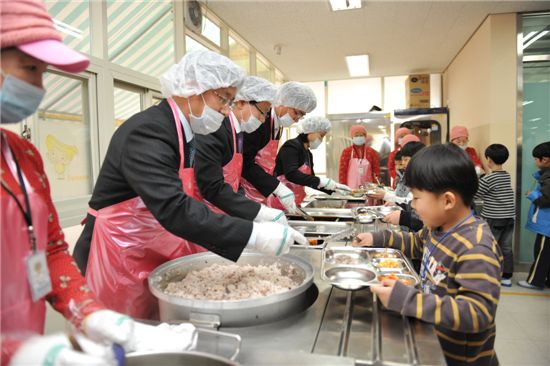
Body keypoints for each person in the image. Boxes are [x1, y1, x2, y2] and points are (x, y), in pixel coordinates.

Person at [0, 1, 199, 364]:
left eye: (43, 73)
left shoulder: (23, 155)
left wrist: (93, 313)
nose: (38, 87)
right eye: (29, 68)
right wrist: (21, 353)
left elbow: (52, 250)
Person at [73, 50, 307, 320]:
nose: (226, 109)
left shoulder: (185, 132)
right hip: (115, 252)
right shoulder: (148, 131)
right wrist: (254, 234)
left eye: (231, 101)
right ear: (192, 89)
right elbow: (175, 208)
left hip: (147, 244)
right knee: (119, 337)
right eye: (223, 99)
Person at [354, 143, 502, 366]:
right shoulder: (438, 228)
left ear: (448, 201)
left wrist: (409, 300)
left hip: (460, 358)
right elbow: (416, 243)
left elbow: (477, 313)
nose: (412, 206)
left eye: (416, 198)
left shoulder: (476, 248)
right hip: (436, 340)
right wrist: (379, 238)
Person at [194, 76, 287, 222]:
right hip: (211, 215)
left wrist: (245, 204)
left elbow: (235, 180)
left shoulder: (238, 132)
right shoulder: (217, 130)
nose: (263, 120)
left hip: (227, 212)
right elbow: (212, 187)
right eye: (262, 112)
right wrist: (257, 212)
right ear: (242, 102)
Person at [241, 81, 317, 211]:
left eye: (302, 115)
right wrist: (276, 187)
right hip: (246, 190)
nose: (298, 119)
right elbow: (246, 163)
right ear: (284, 102)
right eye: (297, 112)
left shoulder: (277, 125)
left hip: (260, 190)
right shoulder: (260, 122)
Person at [270, 116, 351, 209]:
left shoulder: (308, 153)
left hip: (296, 202)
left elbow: (311, 181)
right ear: (310, 130)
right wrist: (322, 181)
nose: (321, 140)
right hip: (281, 200)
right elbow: (291, 174)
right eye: (321, 136)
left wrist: (334, 188)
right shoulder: (291, 146)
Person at [474, 144, 515, 287]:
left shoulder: (489, 179)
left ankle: (489, 274)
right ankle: (507, 276)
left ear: (489, 160)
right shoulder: (506, 175)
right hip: (509, 218)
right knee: (506, 247)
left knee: (490, 246)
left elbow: (476, 194)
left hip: (494, 218)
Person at [518, 141, 550, 290]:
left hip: (546, 225)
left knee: (541, 254)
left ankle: (535, 281)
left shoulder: (548, 178)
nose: (534, 162)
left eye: (536, 159)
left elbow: (545, 200)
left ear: (545, 160)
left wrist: (533, 195)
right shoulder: (545, 175)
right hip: (546, 225)